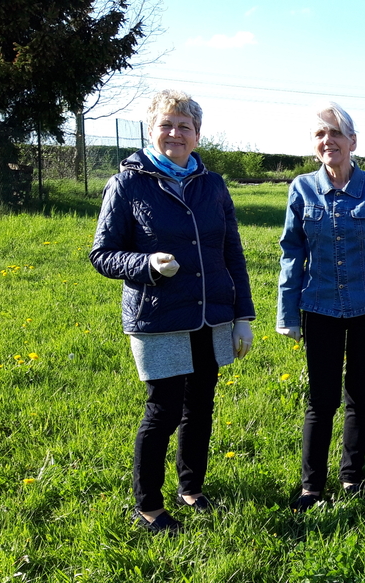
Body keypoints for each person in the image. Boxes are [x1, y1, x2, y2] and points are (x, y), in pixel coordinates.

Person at [90, 89, 255, 534]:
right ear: (152, 130)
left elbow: (232, 253)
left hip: (209, 314)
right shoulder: (128, 183)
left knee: (200, 405)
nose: (175, 133)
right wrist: (145, 265)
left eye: (185, 126)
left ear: (198, 135)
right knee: (163, 410)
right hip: (158, 316)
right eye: (167, 124)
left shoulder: (213, 185)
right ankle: (147, 505)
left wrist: (244, 315)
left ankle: (191, 487)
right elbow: (103, 254)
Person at [276, 102, 365, 511]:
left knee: (360, 395)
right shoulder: (302, 189)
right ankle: (311, 487)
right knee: (320, 401)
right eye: (321, 134)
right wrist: (287, 313)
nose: (328, 141)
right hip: (319, 308)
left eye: (336, 133)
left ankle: (352, 477)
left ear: (353, 142)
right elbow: (291, 254)